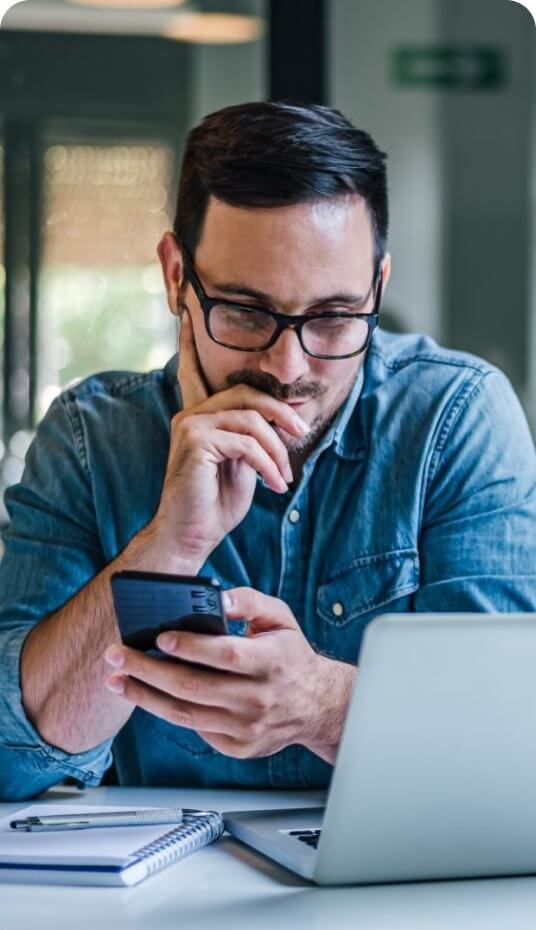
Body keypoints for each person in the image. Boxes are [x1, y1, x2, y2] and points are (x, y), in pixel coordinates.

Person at [0, 101, 535, 802]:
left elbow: (511, 743)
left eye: (334, 317)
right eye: (247, 312)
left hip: (404, 905)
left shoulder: (456, 418)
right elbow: (12, 761)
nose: (287, 367)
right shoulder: (89, 438)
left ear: (377, 287)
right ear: (174, 278)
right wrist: (170, 545)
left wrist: (324, 704)